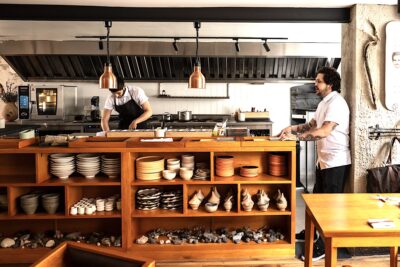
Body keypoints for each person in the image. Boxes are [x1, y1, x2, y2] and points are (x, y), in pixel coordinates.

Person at [279, 66, 351, 261]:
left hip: (336, 162)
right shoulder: (323, 104)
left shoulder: (337, 103)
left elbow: (324, 131)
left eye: (318, 81)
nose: (315, 84)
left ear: (330, 84)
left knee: (330, 206)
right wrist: (291, 127)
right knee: (316, 202)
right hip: (324, 161)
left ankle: (324, 247)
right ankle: (312, 234)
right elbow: (312, 125)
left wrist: (296, 137)